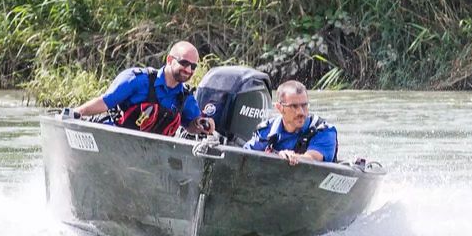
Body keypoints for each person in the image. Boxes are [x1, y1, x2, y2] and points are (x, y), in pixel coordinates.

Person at [73, 41, 217, 136]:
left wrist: (201, 124)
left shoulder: (185, 97)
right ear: (169, 60)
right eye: (184, 63)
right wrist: (76, 113)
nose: (188, 69)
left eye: (193, 66)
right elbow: (104, 102)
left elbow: (191, 126)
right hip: (114, 143)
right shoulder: (137, 80)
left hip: (150, 159)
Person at [243, 80, 338, 165]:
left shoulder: (324, 130)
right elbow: (243, 155)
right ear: (279, 108)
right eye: (294, 106)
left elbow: (314, 159)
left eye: (304, 105)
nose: (301, 112)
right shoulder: (266, 132)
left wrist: (291, 157)